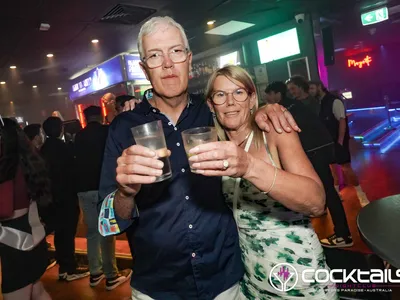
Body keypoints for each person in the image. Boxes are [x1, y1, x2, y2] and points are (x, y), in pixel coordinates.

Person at [98, 16, 299, 299]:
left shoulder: (213, 112)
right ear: (144, 69)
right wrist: (126, 192)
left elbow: (242, 113)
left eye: (176, 51)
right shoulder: (123, 127)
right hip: (158, 288)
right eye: (155, 56)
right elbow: (108, 223)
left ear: (189, 59)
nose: (168, 63)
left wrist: (264, 110)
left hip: (224, 280)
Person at [190, 65, 337, 299]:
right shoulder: (216, 148)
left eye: (239, 92)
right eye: (220, 95)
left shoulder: (274, 132)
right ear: (211, 104)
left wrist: (249, 166)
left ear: (251, 99)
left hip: (300, 281)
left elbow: (317, 202)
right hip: (252, 282)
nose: (229, 102)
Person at [265, 81, 353, 248]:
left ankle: (344, 235)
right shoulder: (294, 105)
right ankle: (341, 232)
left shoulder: (284, 108)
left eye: (268, 94)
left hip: (315, 152)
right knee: (326, 191)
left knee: (327, 191)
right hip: (319, 150)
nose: (267, 98)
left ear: (277, 94)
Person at [74, 106, 132, 290]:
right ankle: (111, 275)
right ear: (100, 116)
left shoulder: (79, 136)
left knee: (92, 232)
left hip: (83, 188)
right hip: (101, 189)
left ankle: (95, 273)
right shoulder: (107, 132)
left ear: (85, 117)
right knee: (107, 231)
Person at [0, 117, 52, 300]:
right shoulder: (27, 162)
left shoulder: (6, 168)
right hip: (32, 234)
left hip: (14, 241)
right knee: (37, 291)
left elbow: (4, 210)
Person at [41, 117, 89, 281]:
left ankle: (64, 267)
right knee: (67, 234)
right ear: (60, 129)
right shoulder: (65, 148)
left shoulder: (43, 149)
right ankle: (69, 268)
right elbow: (73, 172)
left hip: (52, 199)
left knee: (60, 234)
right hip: (66, 197)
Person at [309, 81, 369, 207]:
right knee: (332, 169)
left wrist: (340, 141)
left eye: (312, 88)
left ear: (319, 87)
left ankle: (361, 194)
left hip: (337, 140)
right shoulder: (318, 103)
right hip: (326, 142)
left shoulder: (334, 101)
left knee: (346, 168)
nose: (310, 91)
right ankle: (337, 194)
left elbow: (342, 121)